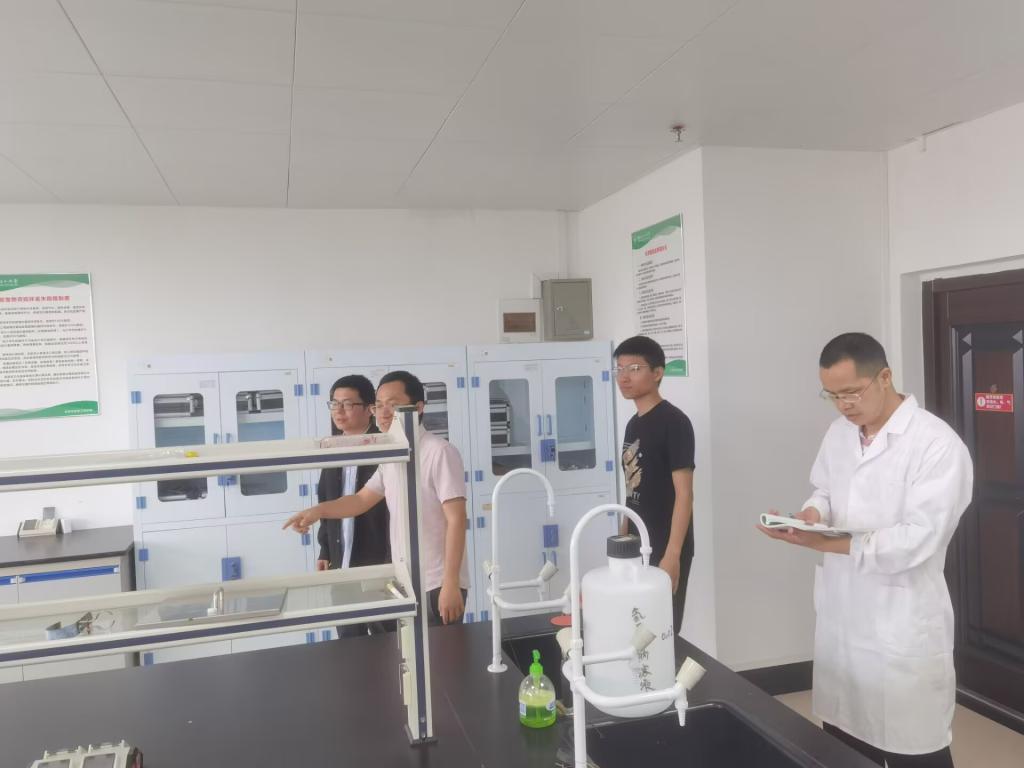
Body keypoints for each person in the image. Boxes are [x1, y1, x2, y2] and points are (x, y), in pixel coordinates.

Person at [758, 332, 972, 768]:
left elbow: (920, 538)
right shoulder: (840, 433)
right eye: (832, 395)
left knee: (915, 748)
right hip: (843, 616)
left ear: (885, 377)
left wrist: (828, 543)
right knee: (843, 746)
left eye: (852, 392)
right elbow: (824, 489)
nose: (843, 405)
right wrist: (812, 514)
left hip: (901, 620)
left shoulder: (936, 443)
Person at [284, 371, 469, 626]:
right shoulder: (393, 455)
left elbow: (457, 520)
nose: (383, 413)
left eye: (392, 405)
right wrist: (317, 511)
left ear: (418, 407)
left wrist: (451, 583)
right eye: (379, 405)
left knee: (442, 651)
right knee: (409, 649)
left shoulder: (439, 452)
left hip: (438, 581)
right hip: (406, 580)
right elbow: (361, 500)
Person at [613, 335, 695, 636]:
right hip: (635, 544)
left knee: (661, 631)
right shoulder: (633, 424)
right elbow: (632, 488)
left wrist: (672, 555)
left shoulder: (675, 422)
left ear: (658, 373)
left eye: (634, 368)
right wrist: (622, 537)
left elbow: (684, 494)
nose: (624, 377)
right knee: (634, 627)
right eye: (619, 369)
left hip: (664, 543)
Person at [316, 375, 391, 639]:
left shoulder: (384, 448)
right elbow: (325, 501)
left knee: (387, 639)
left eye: (347, 404)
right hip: (342, 562)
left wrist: (390, 564)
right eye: (334, 404)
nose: (339, 411)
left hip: (378, 564)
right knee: (349, 641)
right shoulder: (332, 448)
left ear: (369, 408)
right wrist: (325, 549)